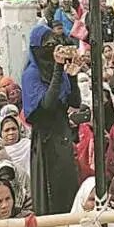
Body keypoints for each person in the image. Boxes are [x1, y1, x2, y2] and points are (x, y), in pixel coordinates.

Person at [22, 24, 81, 215]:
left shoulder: (59, 71)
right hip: (46, 140)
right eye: (47, 45)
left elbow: (74, 101)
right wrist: (58, 68)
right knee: (51, 196)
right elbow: (46, 105)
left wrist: (72, 77)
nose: (51, 49)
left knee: (68, 190)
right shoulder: (31, 74)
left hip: (62, 136)